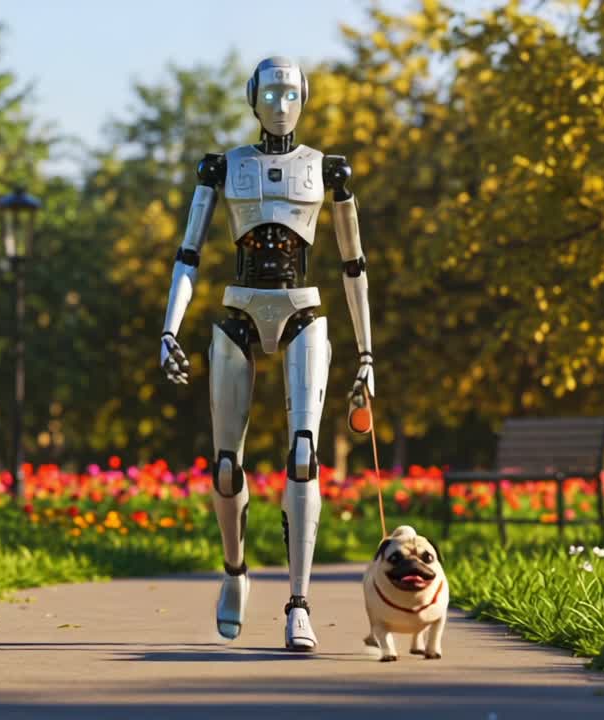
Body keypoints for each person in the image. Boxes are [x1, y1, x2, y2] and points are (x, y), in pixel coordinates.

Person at [159, 56, 375, 651]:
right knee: (227, 465)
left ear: (304, 97)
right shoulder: (222, 167)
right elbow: (188, 254)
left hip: (304, 309)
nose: (281, 103)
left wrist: (366, 352)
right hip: (239, 310)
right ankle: (235, 574)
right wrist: (169, 329)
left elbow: (354, 265)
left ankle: (298, 604)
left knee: (302, 452)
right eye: (270, 91)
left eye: (290, 91)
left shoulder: (327, 170)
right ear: (253, 98)